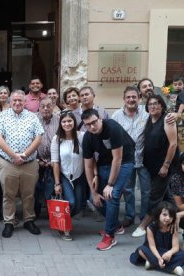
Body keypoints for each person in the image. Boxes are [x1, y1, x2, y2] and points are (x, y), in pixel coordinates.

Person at [81, 108, 135, 251]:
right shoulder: (87, 137)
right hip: (105, 162)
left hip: (125, 161)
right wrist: (93, 192)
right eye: (88, 124)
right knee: (95, 199)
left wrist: (110, 184)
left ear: (100, 118)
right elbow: (87, 166)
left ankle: (110, 236)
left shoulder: (112, 127)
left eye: (94, 122)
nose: (92, 126)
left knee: (112, 195)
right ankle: (116, 225)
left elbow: (118, 158)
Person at [0, 89, 44, 238]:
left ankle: (28, 220)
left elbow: (38, 137)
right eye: (14, 100)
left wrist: (24, 155)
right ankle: (9, 222)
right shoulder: (2, 116)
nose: (17, 103)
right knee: (8, 194)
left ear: (24, 102)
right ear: (10, 102)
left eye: (20, 100)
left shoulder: (32, 117)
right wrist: (13, 155)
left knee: (29, 194)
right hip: (8, 162)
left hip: (29, 163)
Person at [132, 95, 179, 238]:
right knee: (168, 197)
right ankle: (176, 223)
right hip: (152, 166)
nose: (153, 106)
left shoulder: (167, 119)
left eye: (156, 104)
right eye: (150, 104)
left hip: (164, 167)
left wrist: (166, 165)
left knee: (154, 197)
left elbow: (173, 144)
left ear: (162, 106)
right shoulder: (149, 120)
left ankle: (143, 225)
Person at [111, 86, 150, 228]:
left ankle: (145, 217)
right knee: (128, 189)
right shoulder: (116, 116)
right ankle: (129, 215)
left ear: (139, 98)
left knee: (146, 190)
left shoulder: (146, 114)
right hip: (125, 159)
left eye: (134, 97)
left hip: (144, 157)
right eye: (128, 97)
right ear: (124, 99)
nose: (131, 100)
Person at [51, 111, 87, 241]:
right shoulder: (57, 139)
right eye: (64, 121)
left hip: (79, 175)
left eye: (69, 121)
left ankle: (61, 222)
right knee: (70, 202)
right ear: (60, 123)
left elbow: (88, 158)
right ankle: (64, 228)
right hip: (64, 176)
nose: (67, 124)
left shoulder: (82, 136)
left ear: (74, 122)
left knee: (78, 206)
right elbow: (55, 162)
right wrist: (57, 183)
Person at [130, 201, 184, 275]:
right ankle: (173, 269)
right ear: (158, 214)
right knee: (141, 250)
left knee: (182, 255)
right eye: (164, 215)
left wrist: (170, 253)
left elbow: (176, 247)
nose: (168, 218)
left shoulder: (173, 227)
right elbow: (152, 246)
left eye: (171, 216)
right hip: (155, 251)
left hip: (168, 251)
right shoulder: (151, 227)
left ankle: (152, 263)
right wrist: (159, 258)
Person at [35, 97, 60, 218]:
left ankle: (53, 215)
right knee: (36, 187)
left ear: (53, 106)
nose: (45, 108)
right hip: (36, 160)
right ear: (39, 108)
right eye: (43, 106)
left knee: (52, 188)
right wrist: (37, 160)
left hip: (54, 162)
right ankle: (36, 212)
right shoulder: (33, 119)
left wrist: (53, 161)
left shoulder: (59, 120)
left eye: (48, 106)